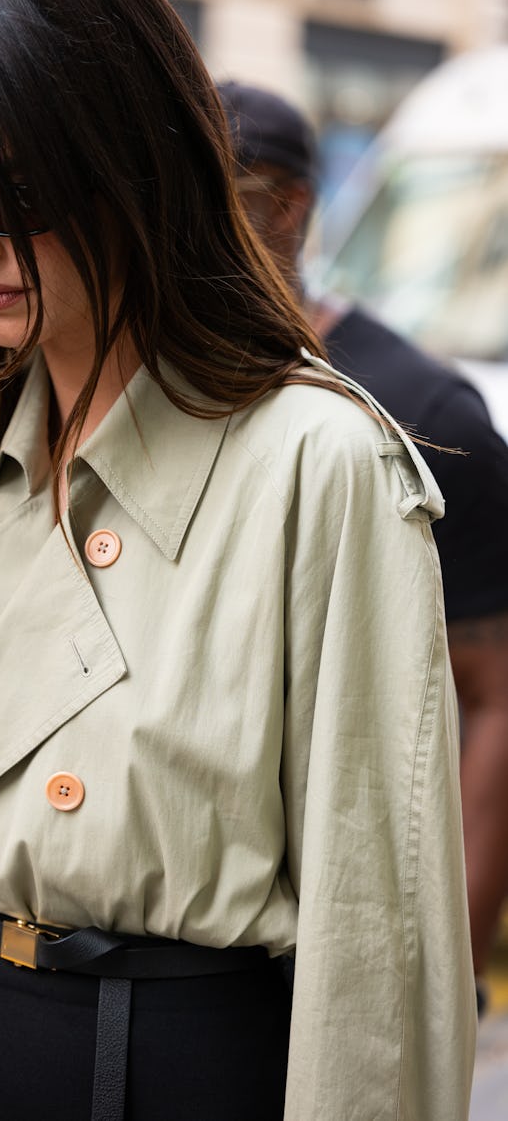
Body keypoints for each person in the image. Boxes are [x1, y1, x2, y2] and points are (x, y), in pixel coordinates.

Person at [0, 1, 475, 1118]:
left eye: (8, 197)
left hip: (185, 1057)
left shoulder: (318, 462)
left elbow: (376, 924)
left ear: (135, 168)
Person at [218, 79, 508, 988]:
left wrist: (446, 976)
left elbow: (495, 698)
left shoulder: (427, 407)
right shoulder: (149, 384)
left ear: (288, 209)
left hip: (353, 930)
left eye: (202, 195)